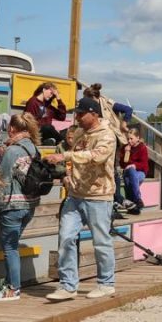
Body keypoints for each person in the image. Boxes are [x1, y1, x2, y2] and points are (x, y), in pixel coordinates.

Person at [45, 96, 118, 300]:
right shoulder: (78, 132)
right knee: (66, 237)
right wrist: (67, 174)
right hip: (75, 195)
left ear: (94, 114)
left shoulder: (106, 134)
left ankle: (106, 283)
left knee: (101, 241)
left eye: (81, 114)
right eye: (76, 113)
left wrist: (65, 157)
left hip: (99, 195)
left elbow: (97, 156)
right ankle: (68, 285)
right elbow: (74, 154)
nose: (76, 117)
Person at [0, 113, 44, 301]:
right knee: (13, 247)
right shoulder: (34, 148)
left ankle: (13, 288)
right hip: (30, 205)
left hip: (12, 205)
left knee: (10, 248)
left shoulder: (13, 150)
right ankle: (11, 284)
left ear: (12, 129)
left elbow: (3, 178)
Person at [119, 125, 149, 216]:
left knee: (129, 180)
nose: (129, 141)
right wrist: (126, 153)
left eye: (131, 139)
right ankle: (137, 199)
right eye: (128, 139)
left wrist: (134, 165)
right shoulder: (125, 148)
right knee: (131, 173)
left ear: (137, 138)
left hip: (140, 172)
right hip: (128, 171)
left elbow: (144, 164)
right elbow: (122, 164)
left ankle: (133, 203)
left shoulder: (142, 148)